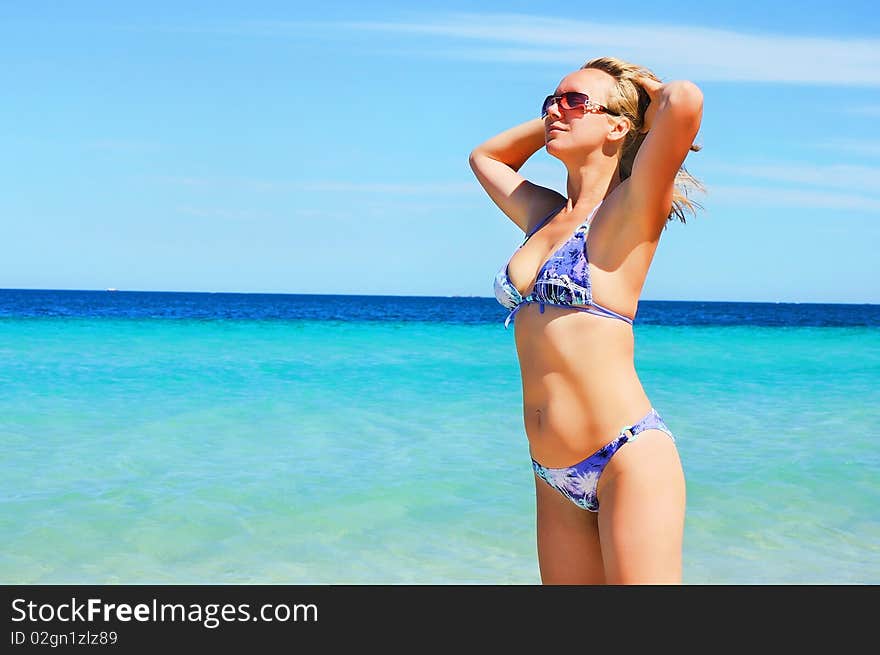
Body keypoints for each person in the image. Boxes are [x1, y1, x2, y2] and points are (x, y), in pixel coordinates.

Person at [468, 56, 705, 584]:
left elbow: (685, 99)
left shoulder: (632, 207)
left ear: (619, 126)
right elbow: (484, 156)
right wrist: (565, 114)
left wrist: (642, 101)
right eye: (549, 100)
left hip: (627, 456)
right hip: (551, 475)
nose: (555, 109)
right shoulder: (543, 213)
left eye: (572, 101)